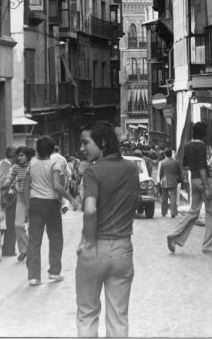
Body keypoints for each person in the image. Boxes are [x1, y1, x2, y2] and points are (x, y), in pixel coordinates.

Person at [76, 122, 139, 337]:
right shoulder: (132, 169)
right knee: (118, 316)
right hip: (123, 248)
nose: (82, 148)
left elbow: (90, 210)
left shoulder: (92, 172)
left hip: (96, 247)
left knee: (87, 312)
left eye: (86, 143)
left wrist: (89, 242)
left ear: (102, 142)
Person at [24, 135, 77, 286]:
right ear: (52, 149)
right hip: (51, 203)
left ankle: (33, 276)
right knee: (55, 238)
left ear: (37, 149)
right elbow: (57, 186)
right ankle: (54, 271)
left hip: (35, 203)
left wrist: (28, 205)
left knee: (34, 239)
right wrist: (71, 199)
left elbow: (25, 187)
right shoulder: (56, 164)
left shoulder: (32, 164)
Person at [167, 121, 212, 254]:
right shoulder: (201, 146)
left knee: (193, 212)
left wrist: (195, 166)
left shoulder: (187, 145)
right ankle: (209, 245)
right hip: (203, 180)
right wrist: (207, 186)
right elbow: (202, 167)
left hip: (193, 180)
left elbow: (185, 164)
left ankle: (174, 235)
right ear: (204, 134)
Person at [9, 146, 33, 261]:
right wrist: (13, 185)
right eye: (18, 155)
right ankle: (24, 249)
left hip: (33, 197)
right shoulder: (16, 167)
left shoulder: (33, 166)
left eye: (22, 155)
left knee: (33, 226)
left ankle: (30, 250)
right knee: (18, 225)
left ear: (28, 156)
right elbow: (10, 181)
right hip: (20, 197)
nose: (19, 158)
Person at [0, 146, 17, 257]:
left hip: (6, 194)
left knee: (7, 223)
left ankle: (7, 249)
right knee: (9, 223)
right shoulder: (5, 165)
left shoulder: (7, 164)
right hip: (6, 195)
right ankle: (8, 249)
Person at [158, 148, 182, 217]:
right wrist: (180, 179)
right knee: (173, 197)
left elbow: (160, 173)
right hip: (174, 181)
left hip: (164, 181)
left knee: (164, 197)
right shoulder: (176, 162)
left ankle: (163, 212)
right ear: (171, 154)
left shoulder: (162, 162)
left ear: (165, 154)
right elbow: (180, 172)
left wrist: (159, 181)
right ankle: (173, 213)